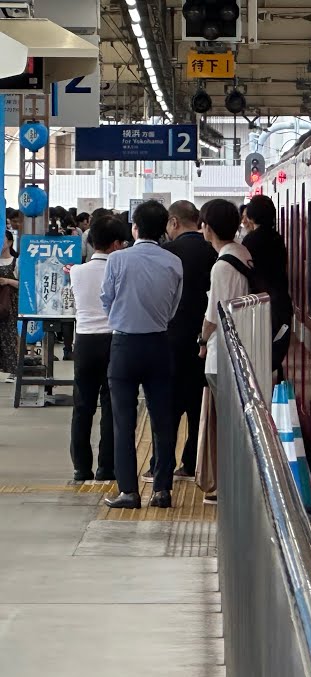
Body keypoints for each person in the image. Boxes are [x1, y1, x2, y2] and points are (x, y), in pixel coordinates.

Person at [100, 200, 183, 510]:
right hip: (160, 344)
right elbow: (173, 307)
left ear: (135, 228)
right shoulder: (173, 262)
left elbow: (106, 300)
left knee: (124, 422)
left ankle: (129, 492)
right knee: (163, 421)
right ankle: (162, 490)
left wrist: (122, 316)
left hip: (124, 346)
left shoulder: (117, 260)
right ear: (164, 228)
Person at [143, 201, 216, 480]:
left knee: (167, 407)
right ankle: (193, 464)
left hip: (170, 340)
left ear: (173, 222)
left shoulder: (166, 252)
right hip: (205, 342)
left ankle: (160, 465)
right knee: (199, 405)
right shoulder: (213, 251)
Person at [198, 199, 254, 504]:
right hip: (242, 346)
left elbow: (214, 314)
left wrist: (202, 340)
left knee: (225, 424)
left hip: (225, 354)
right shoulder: (242, 254)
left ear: (208, 227)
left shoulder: (222, 265)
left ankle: (225, 484)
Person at [69, 218, 128, 482]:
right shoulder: (120, 270)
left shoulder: (76, 271)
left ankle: (81, 468)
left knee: (82, 406)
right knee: (110, 405)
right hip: (113, 341)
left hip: (84, 342)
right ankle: (107, 467)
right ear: (116, 244)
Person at [240, 195, 293, 378]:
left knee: (259, 358)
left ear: (252, 217)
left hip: (261, 306)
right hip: (280, 302)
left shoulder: (250, 241)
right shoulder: (277, 239)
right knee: (273, 355)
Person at [0, 230, 19, 383]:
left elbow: (22, 283)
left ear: (10, 242)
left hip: (9, 303)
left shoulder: (16, 261)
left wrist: (6, 281)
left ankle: (13, 370)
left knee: (10, 336)